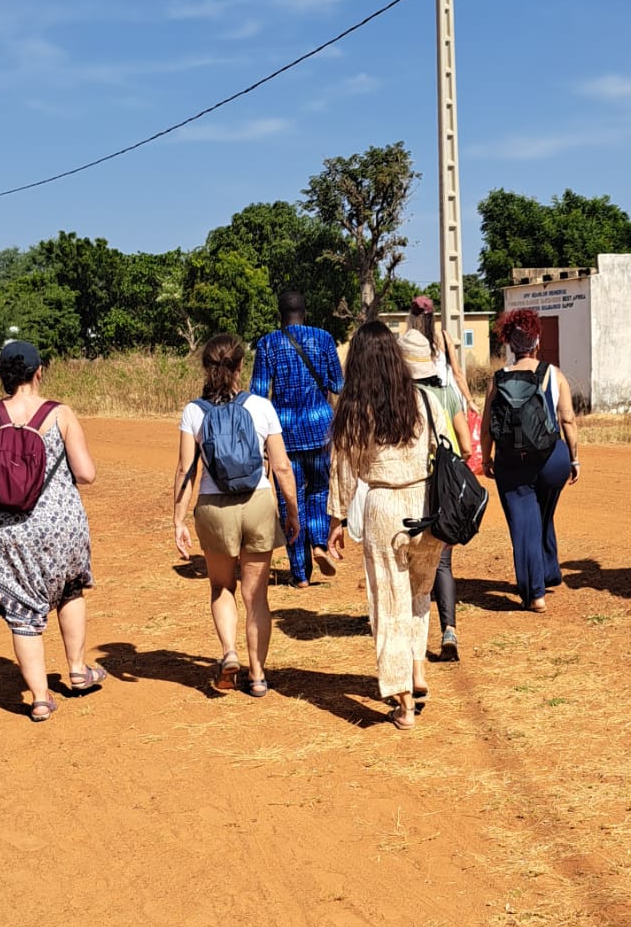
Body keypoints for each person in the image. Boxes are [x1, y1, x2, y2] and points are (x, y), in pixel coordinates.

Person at [0, 339, 102, 722]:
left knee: (23, 612)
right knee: (70, 588)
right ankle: (77, 670)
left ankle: (40, 698)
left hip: (9, 530)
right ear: (39, 372)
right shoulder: (61, 413)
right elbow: (87, 474)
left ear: (3, 376)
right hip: (61, 524)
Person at [325, 320, 443, 733]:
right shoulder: (421, 400)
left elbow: (344, 471)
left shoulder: (355, 410)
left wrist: (337, 519)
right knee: (418, 595)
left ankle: (404, 700)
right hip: (427, 507)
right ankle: (417, 668)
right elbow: (439, 448)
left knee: (387, 604)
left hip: (383, 509)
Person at [174, 332, 300, 696]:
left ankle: (229, 653)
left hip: (214, 508)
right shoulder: (261, 407)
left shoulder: (193, 411)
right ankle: (258, 675)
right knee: (256, 595)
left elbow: (186, 471)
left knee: (221, 587)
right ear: (240, 366)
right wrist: (292, 511)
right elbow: (282, 466)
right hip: (257, 503)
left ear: (206, 367)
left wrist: (178, 518)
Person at [482, 305, 578, 612]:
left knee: (525, 523)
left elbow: (486, 427)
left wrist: (487, 459)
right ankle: (549, 571)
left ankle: (536, 593)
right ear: (537, 341)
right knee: (543, 512)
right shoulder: (553, 374)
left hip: (513, 462)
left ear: (510, 345)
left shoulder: (498, 379)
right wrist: (574, 459)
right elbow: (568, 420)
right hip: (553, 460)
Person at [250, 289, 343, 587]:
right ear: (305, 311)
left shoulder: (267, 344)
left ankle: (300, 574)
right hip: (320, 429)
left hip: (283, 434)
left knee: (291, 498)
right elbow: (338, 384)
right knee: (319, 492)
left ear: (280, 314)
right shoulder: (324, 339)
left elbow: (258, 393)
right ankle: (318, 544)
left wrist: (260, 442)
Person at [398, 326, 473, 661]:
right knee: (442, 563)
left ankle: (411, 641)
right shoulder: (447, 395)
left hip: (407, 492)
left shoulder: (397, 400)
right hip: (443, 493)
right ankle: (449, 630)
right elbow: (468, 446)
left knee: (405, 566)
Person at [404, 294, 474, 408]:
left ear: (411, 318)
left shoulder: (406, 342)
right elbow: (457, 373)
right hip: (444, 396)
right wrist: (469, 400)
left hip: (417, 399)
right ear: (432, 318)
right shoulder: (443, 337)